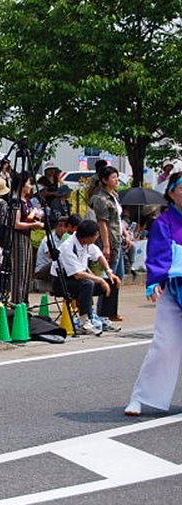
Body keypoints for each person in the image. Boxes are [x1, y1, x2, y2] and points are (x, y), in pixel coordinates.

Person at [124, 174, 182, 416]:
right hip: (173, 290)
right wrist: (154, 281)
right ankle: (140, 397)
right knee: (164, 345)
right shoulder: (164, 222)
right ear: (171, 193)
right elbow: (158, 254)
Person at [50, 220, 120, 335]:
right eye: (96, 235)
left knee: (112, 282)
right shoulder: (68, 247)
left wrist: (109, 272)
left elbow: (99, 256)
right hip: (62, 282)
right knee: (88, 284)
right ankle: (84, 322)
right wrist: (100, 280)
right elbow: (77, 274)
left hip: (79, 280)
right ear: (86, 237)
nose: (97, 238)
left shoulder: (87, 244)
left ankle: (103, 317)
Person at [90, 165, 125, 321]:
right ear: (104, 180)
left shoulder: (114, 196)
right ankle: (104, 311)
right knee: (108, 276)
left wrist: (126, 235)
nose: (116, 180)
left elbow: (117, 219)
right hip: (109, 240)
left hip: (119, 239)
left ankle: (111, 310)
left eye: (117, 177)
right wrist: (106, 245)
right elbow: (103, 223)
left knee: (118, 275)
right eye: (113, 177)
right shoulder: (100, 198)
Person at [9, 179, 43, 304]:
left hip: (27, 237)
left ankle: (24, 300)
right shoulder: (16, 201)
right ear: (22, 186)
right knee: (20, 269)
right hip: (19, 237)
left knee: (27, 270)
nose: (30, 186)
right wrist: (33, 225)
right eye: (28, 183)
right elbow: (16, 224)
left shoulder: (27, 201)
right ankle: (16, 302)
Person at [34, 215, 81, 280]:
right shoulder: (49, 239)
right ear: (60, 226)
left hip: (55, 268)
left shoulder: (65, 238)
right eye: (66, 227)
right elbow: (51, 256)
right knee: (59, 262)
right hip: (42, 270)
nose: (68, 230)